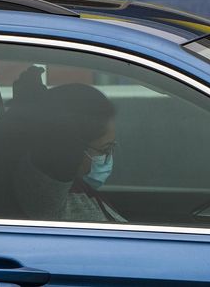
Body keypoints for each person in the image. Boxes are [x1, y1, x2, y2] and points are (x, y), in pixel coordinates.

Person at [9, 68, 126, 223]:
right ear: (73, 148)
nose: (108, 158)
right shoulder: (47, 201)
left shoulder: (77, 187)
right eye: (104, 150)